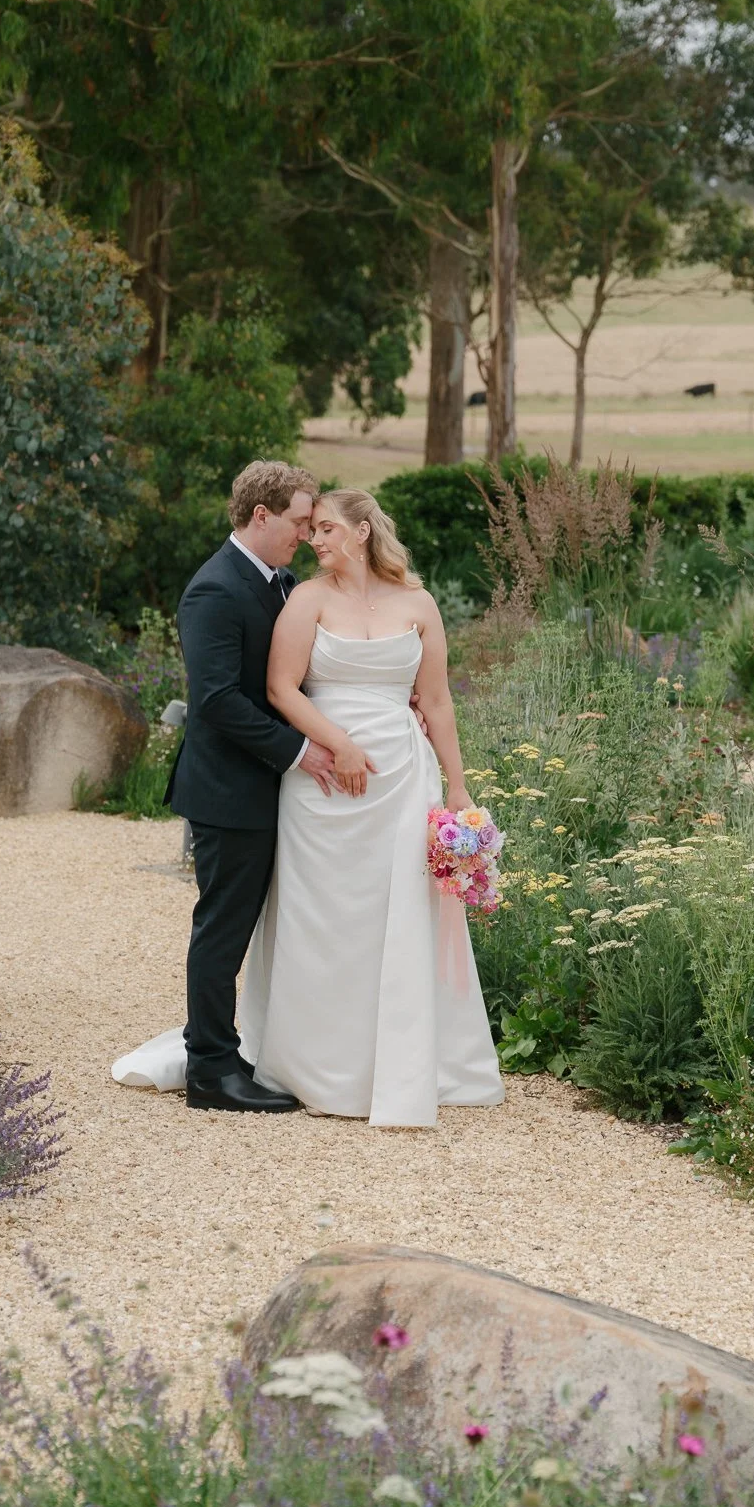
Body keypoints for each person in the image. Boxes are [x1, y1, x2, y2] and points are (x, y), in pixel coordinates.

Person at [112, 479, 504, 1128]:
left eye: (323, 527)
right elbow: (274, 687)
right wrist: (334, 744)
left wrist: (457, 788)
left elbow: (435, 700)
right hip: (321, 781)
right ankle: (296, 1062)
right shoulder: (298, 596)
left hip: (402, 780)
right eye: (306, 525)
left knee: (396, 915)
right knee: (319, 921)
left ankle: (404, 1058)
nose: (311, 537)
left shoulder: (413, 601)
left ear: (361, 529)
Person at [116, 460, 329, 1112]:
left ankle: (231, 1049)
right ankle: (209, 1068)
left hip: (264, 791)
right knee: (222, 929)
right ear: (260, 516)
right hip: (227, 793)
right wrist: (300, 750)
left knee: (250, 929)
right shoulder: (213, 589)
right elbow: (216, 701)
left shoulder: (277, 580)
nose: (304, 533)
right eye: (297, 521)